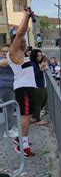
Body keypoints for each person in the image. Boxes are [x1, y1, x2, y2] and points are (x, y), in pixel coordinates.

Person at [7, 8, 36, 157]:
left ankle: (21, 139)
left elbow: (5, 63)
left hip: (28, 88)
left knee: (28, 116)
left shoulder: (18, 54)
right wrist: (26, 16)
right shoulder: (14, 51)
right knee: (25, 117)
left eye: (25, 41)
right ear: (15, 42)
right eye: (22, 41)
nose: (25, 43)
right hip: (23, 89)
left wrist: (29, 19)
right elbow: (20, 32)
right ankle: (23, 146)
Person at [0, 45, 17, 137]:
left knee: (11, 107)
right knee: (9, 108)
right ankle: (8, 130)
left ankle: (10, 127)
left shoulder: (12, 59)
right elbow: (4, 63)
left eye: (7, 51)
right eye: (3, 51)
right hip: (5, 86)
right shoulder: (3, 60)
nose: (5, 53)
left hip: (11, 86)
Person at [30, 49, 49, 126]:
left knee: (44, 101)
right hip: (37, 86)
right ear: (34, 56)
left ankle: (34, 117)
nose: (40, 57)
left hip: (41, 85)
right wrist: (41, 69)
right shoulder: (33, 64)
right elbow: (35, 75)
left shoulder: (37, 63)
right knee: (38, 103)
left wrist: (42, 67)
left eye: (41, 55)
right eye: (38, 55)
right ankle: (38, 120)